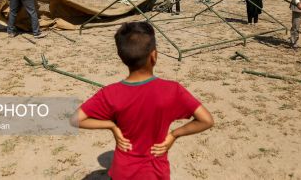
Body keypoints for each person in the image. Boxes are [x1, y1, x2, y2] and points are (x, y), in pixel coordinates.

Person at [71, 22, 214, 179]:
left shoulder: (109, 93)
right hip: (155, 172)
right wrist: (174, 135)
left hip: (122, 172)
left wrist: (111, 125)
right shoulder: (173, 90)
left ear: (121, 57)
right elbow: (206, 120)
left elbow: (74, 120)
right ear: (154, 55)